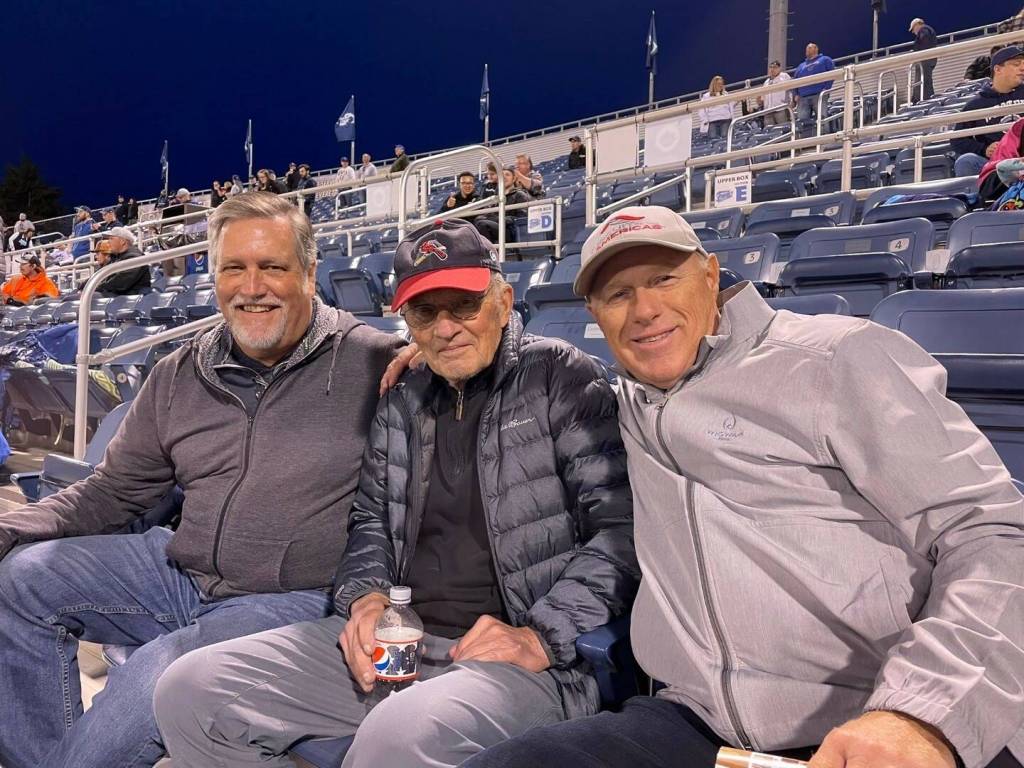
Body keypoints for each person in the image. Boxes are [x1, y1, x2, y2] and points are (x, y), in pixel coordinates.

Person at [463, 205, 1024, 768]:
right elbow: (510, 362)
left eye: (664, 278)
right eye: (618, 294)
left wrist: (920, 713)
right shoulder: (623, 401)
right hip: (695, 725)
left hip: (872, 723)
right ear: (594, 313)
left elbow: (993, 534)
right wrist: (429, 356)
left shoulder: (835, 357)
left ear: (711, 276)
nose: (645, 310)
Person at [153, 217, 638, 768]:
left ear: (504, 302)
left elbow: (620, 534)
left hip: (517, 655)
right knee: (192, 690)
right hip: (401, 641)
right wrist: (366, 598)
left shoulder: (560, 374)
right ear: (405, 319)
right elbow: (371, 521)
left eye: (465, 305)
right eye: (426, 312)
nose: (447, 327)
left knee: (396, 737)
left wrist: (541, 635)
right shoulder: (403, 394)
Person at [0, 192, 405, 768]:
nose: (251, 287)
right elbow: (114, 490)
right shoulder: (178, 372)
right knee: (21, 580)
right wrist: (16, 528)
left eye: (273, 267)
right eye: (233, 268)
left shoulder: (378, 362)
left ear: (310, 273)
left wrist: (437, 362)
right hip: (181, 572)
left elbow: (490, 361)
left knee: (154, 675)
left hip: (296, 597)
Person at [952, 45, 1024, 177]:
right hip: (996, 163)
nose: (1023, 68)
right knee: (966, 161)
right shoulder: (976, 104)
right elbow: (957, 140)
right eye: (1016, 64)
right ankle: (977, 198)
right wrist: (984, 149)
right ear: (998, 69)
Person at [475, 166, 531, 245]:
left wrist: (497, 219)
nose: (504, 177)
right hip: (497, 226)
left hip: (511, 230)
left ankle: (490, 255)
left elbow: (522, 217)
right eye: (502, 175)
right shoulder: (496, 198)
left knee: (483, 224)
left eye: (507, 175)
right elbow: (485, 214)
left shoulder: (519, 194)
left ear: (514, 178)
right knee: (476, 222)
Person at [89, 227, 152, 296]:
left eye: (111, 238)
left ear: (122, 242)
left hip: (132, 299)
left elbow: (120, 283)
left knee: (90, 297)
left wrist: (94, 288)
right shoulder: (118, 257)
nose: (108, 242)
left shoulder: (134, 257)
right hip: (121, 296)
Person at [792, 43, 835, 138]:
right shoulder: (801, 66)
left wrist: (827, 88)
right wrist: (796, 94)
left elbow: (832, 73)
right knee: (802, 121)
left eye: (809, 48)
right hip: (803, 97)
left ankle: (825, 138)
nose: (807, 50)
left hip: (819, 94)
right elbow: (794, 81)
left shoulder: (825, 60)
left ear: (816, 49)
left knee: (822, 117)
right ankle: (806, 140)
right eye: (806, 49)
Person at [908, 18, 938, 101]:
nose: (914, 32)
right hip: (929, 59)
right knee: (926, 81)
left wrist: (917, 52)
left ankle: (921, 100)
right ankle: (921, 99)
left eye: (913, 29)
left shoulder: (924, 30)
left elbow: (923, 43)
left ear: (917, 24)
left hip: (925, 60)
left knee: (923, 81)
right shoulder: (928, 30)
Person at [759, 60, 792, 126]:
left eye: (775, 67)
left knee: (784, 128)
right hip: (768, 111)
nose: (772, 69)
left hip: (781, 108)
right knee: (770, 131)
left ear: (779, 68)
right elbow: (763, 97)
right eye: (771, 67)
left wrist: (791, 102)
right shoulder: (766, 82)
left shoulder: (784, 76)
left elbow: (791, 89)